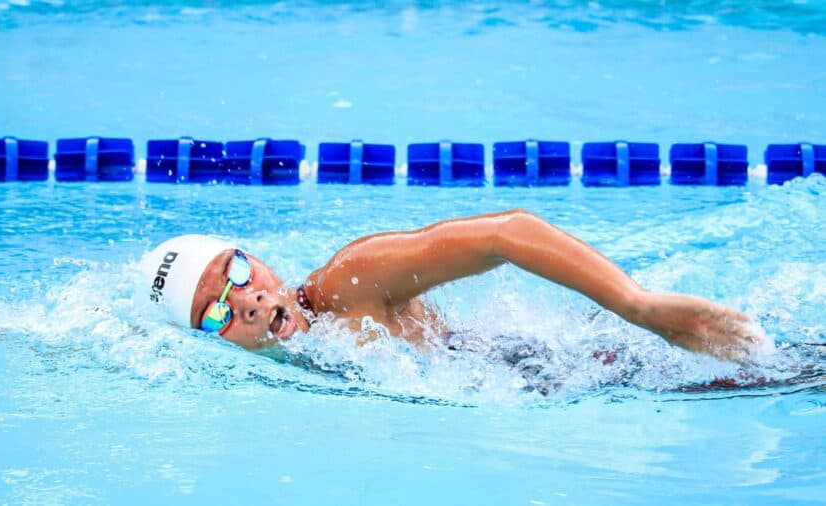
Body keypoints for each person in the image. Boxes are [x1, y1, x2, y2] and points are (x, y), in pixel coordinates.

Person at [139, 209, 770, 362]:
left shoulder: (349, 282)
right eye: (215, 311)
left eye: (239, 274)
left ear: (265, 267)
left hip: (571, 369)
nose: (244, 301)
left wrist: (641, 308)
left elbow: (507, 232)